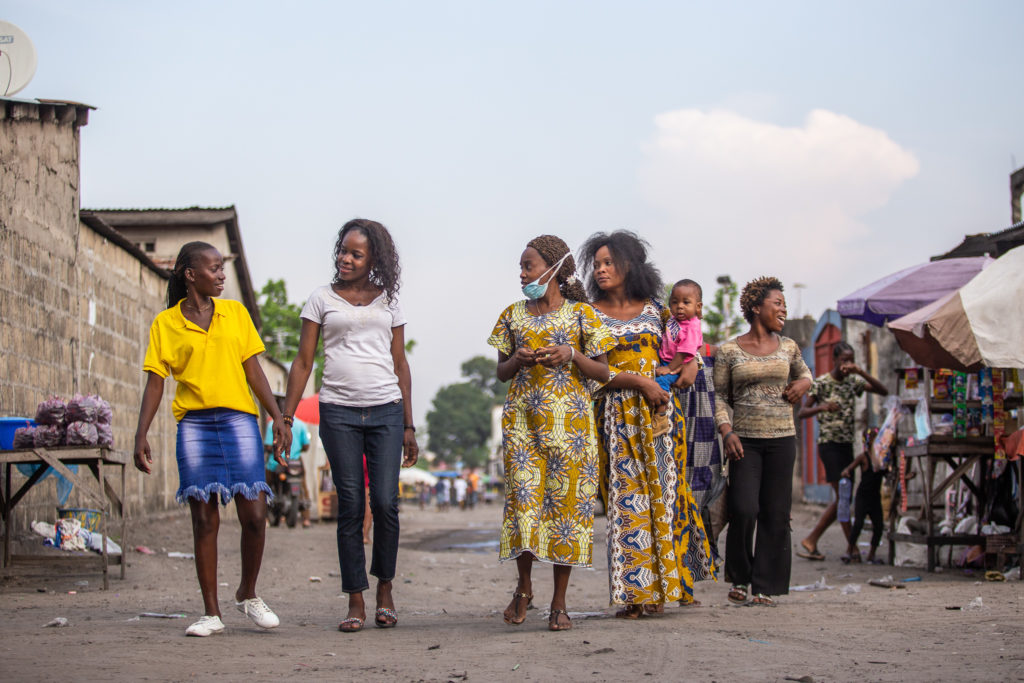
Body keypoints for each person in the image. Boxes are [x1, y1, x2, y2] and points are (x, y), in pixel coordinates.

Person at [133, 241, 288, 638]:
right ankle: (211, 612)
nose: (221, 275)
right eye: (215, 268)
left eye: (222, 269)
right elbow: (155, 383)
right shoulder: (165, 323)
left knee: (254, 516)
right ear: (190, 274)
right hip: (196, 426)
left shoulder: (235, 314)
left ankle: (247, 593)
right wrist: (141, 433)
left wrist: (277, 417)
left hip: (239, 421)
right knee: (204, 520)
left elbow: (254, 370)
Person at [282, 218, 418, 633]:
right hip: (338, 411)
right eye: (343, 250)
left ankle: (386, 589)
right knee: (351, 507)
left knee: (385, 503)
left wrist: (410, 425)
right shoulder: (320, 299)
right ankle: (355, 598)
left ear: (373, 258)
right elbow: (303, 361)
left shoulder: (389, 302)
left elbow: (400, 364)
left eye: (356, 253)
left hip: (386, 411)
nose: (345, 258)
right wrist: (286, 417)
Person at [579, 230, 713, 618]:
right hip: (617, 420)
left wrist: (689, 365)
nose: (601, 270)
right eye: (597, 264)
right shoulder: (590, 313)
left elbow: (688, 345)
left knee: (665, 502)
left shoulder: (658, 310)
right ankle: (635, 596)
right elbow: (595, 373)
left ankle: (664, 590)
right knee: (626, 507)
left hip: (661, 418)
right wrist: (641, 381)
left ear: (630, 266)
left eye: (609, 263)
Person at [488, 234, 613, 632]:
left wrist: (572, 354)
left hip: (572, 429)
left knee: (566, 512)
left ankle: (560, 600)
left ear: (555, 268)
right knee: (524, 507)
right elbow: (500, 371)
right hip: (524, 426)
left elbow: (604, 371)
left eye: (529, 265)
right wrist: (518, 359)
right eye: (521, 266)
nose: (522, 272)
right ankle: (524, 587)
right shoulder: (511, 315)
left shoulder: (582, 315)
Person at [715, 276, 812, 607]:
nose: (783, 308)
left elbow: (805, 373)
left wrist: (804, 385)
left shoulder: (789, 347)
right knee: (744, 508)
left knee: (776, 512)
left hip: (783, 439)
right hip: (744, 441)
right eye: (777, 303)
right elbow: (719, 397)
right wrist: (726, 430)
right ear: (756, 308)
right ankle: (740, 576)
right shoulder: (729, 350)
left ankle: (766, 585)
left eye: (784, 304)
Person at [797, 341, 888, 562]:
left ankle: (814, 540)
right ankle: (850, 546)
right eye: (844, 359)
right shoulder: (823, 383)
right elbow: (802, 412)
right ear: (835, 360)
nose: (847, 364)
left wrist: (861, 371)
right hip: (829, 445)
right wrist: (822, 407)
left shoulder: (852, 382)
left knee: (843, 498)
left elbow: (882, 390)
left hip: (847, 445)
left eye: (850, 360)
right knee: (843, 497)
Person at [653, 279, 704, 436]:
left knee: (660, 384)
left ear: (698, 306)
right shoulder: (674, 320)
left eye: (686, 302)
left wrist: (669, 368)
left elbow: (684, 352)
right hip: (666, 361)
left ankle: (660, 417)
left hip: (674, 364)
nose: (679, 306)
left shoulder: (692, 326)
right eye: (675, 302)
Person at [842, 428, 886, 564]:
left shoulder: (881, 458)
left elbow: (889, 474)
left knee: (879, 526)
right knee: (858, 524)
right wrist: (846, 473)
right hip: (863, 496)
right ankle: (849, 550)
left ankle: (871, 555)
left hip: (875, 497)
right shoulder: (864, 457)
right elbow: (848, 469)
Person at [264, 413, 312, 527]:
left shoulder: (272, 424)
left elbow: (268, 446)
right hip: (295, 462)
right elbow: (306, 446)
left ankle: (264, 517)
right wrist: (296, 449)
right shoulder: (301, 424)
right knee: (303, 486)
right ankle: (306, 519)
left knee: (265, 487)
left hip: (275, 462)